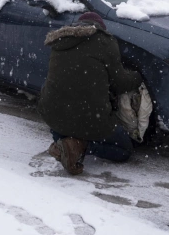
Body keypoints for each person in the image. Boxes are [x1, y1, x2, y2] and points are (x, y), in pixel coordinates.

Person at [38, 12, 143, 175]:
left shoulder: (59, 41)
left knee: (63, 131)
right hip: (91, 117)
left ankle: (64, 143)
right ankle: (80, 145)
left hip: (53, 114)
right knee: (124, 151)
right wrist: (138, 77)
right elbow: (120, 82)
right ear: (100, 27)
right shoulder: (104, 41)